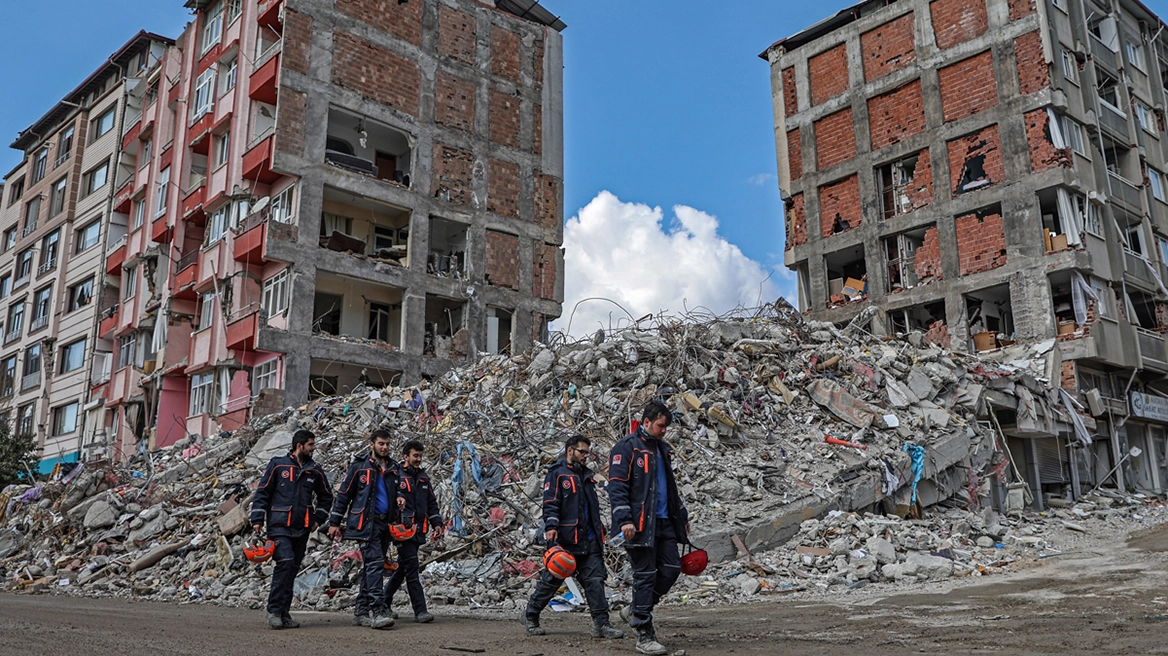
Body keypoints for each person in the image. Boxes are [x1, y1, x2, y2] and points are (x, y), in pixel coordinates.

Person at [522, 434, 624, 640]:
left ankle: (601, 625)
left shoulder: (586, 476)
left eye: (588, 452)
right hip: (566, 539)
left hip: (589, 539)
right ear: (570, 451)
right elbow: (551, 503)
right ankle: (530, 614)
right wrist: (551, 526)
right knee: (552, 580)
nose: (586, 456)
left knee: (595, 581)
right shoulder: (557, 475)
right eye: (582, 452)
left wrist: (599, 535)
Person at [607, 401, 690, 655]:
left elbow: (669, 488)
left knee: (672, 569)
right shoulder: (627, 448)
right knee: (645, 575)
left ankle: (635, 609)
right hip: (639, 525)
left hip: (664, 522)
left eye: (666, 426)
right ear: (646, 422)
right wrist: (625, 520)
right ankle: (643, 633)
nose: (664, 430)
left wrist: (682, 515)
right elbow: (617, 487)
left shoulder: (662, 450)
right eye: (660, 425)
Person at [250, 429, 334, 630]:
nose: (314, 449)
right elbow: (263, 492)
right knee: (285, 562)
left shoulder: (315, 471)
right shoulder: (278, 465)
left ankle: (284, 613)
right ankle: (274, 610)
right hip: (279, 526)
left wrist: (318, 519)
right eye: (311, 445)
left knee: (293, 568)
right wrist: (257, 519)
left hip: (302, 528)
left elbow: (326, 496)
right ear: (300, 446)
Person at [329, 429, 402, 629]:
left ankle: (361, 611)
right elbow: (344, 495)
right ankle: (377, 610)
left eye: (387, 444)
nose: (385, 447)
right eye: (381, 444)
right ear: (372, 444)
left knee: (372, 566)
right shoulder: (359, 467)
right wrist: (334, 522)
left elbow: (400, 492)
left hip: (385, 524)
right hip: (365, 524)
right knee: (375, 563)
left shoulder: (394, 468)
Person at [383, 439, 443, 623]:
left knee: (403, 568)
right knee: (412, 567)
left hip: (418, 531)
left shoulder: (423, 478)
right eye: (415, 456)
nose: (418, 459)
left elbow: (431, 503)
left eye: (420, 456)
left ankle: (383, 602)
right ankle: (420, 610)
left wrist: (437, 523)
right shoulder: (395, 476)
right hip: (402, 531)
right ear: (405, 456)